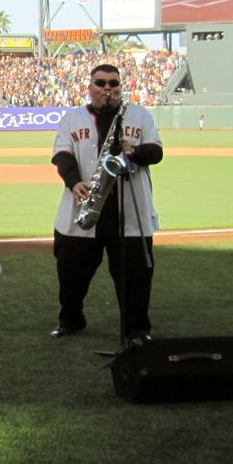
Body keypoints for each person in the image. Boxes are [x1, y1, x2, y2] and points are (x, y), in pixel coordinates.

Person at [49, 64, 163, 341]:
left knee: (135, 280)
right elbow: (62, 155)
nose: (107, 88)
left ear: (121, 87)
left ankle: (136, 330)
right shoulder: (73, 118)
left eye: (114, 83)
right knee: (71, 277)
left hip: (129, 214)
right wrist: (74, 182)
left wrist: (132, 150)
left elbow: (156, 151)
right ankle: (71, 320)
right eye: (101, 83)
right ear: (90, 87)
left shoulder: (138, 115)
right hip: (83, 210)